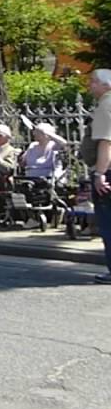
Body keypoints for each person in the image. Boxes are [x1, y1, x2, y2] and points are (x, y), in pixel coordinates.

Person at [88, 69, 111, 283]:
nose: (90, 85)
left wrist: (100, 174)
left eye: (93, 81)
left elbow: (106, 142)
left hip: (108, 172)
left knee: (108, 223)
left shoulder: (106, 106)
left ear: (106, 85)